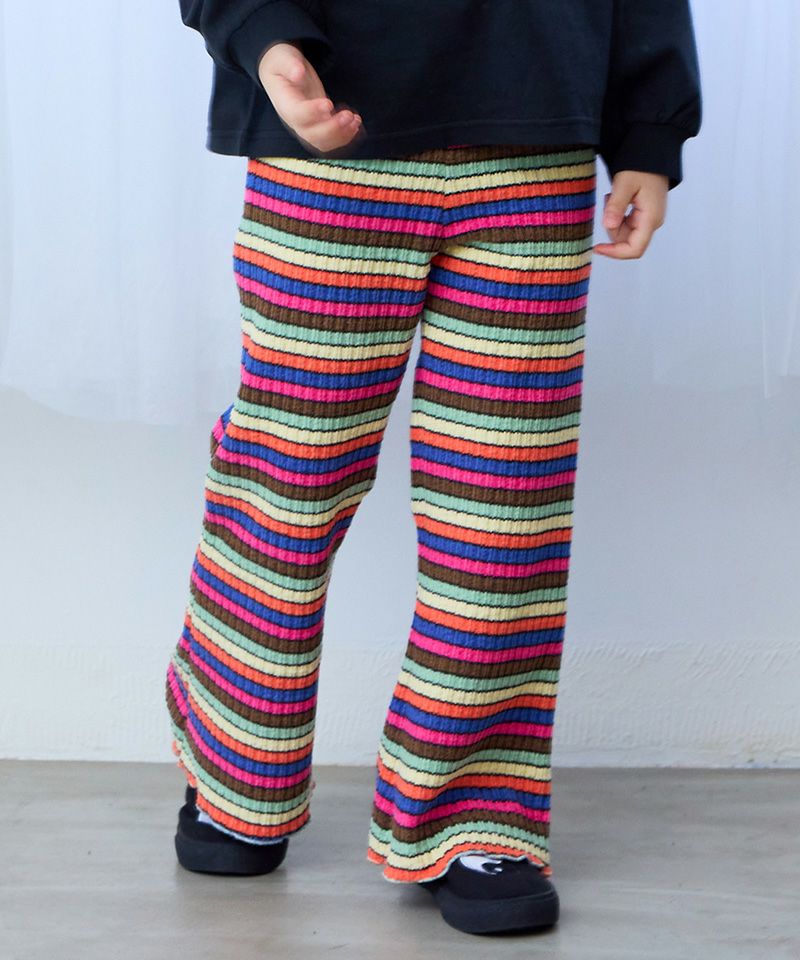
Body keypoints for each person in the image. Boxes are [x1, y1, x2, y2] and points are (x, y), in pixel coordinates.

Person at [165, 0, 702, 936]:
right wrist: (262, 33)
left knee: (505, 502)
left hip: (535, 143)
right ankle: (235, 771)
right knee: (287, 479)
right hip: (329, 146)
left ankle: (474, 811)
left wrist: (650, 125)